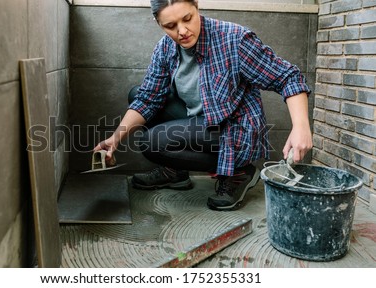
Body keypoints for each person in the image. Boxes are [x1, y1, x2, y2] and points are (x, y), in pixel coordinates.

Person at [94, 0, 312, 211]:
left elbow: (288, 77)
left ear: (196, 5)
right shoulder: (165, 48)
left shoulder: (234, 39)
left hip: (233, 129)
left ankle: (239, 172)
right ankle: (175, 172)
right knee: (137, 94)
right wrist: (115, 138)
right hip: (200, 121)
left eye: (187, 19)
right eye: (170, 26)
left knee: (151, 143)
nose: (182, 31)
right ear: (158, 24)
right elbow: (148, 98)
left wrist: (301, 126)